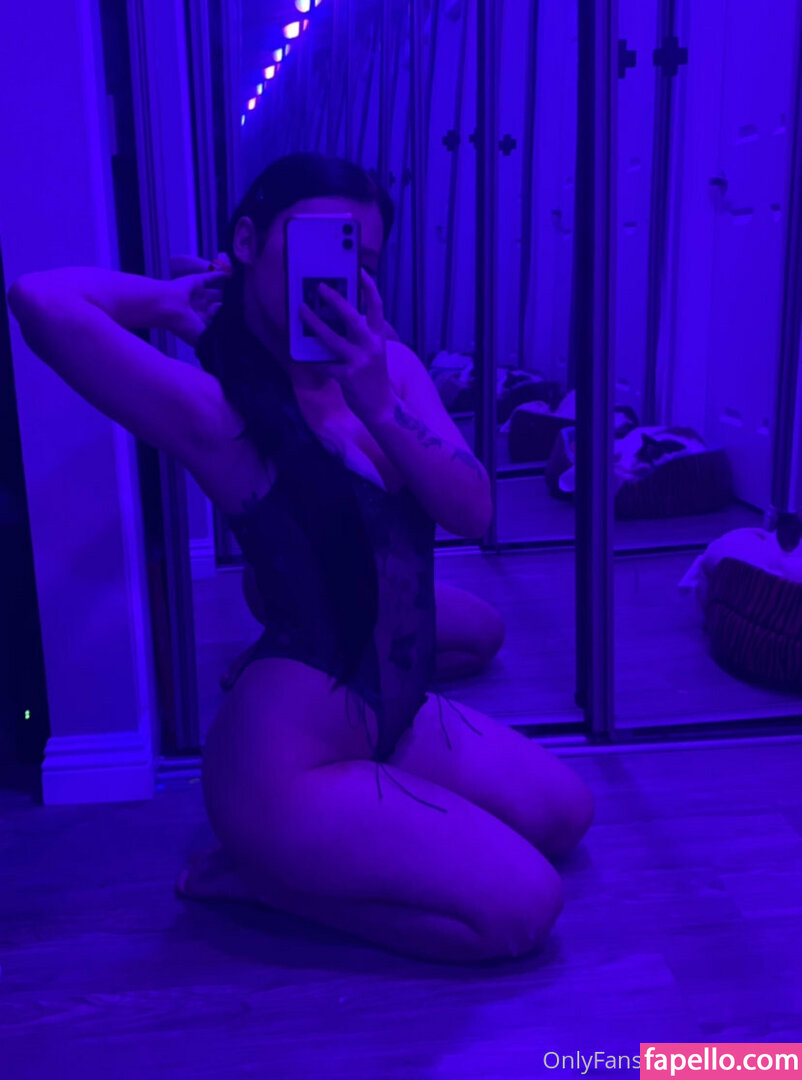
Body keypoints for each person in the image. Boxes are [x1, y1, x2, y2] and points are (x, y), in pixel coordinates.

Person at [9, 153, 593, 964]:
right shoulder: (218, 414)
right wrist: (168, 300)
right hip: (286, 764)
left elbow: (474, 511)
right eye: (313, 245)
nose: (335, 277)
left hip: (394, 717)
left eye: (361, 258)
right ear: (248, 243)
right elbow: (39, 299)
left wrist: (378, 400)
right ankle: (265, 879)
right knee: (523, 910)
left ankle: (361, 833)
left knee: (566, 814)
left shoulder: (392, 373)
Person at [170, 253, 507, 691]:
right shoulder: (248, 368)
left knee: (485, 633)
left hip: (382, 585)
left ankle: (325, 665)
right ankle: (301, 657)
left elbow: (473, 511)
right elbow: (175, 271)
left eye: (364, 265)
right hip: (291, 585)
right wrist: (227, 284)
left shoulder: (388, 362)